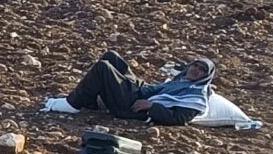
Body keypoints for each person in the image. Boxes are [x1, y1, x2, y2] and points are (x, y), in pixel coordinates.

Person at [66, 51, 215, 126]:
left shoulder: (196, 96)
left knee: (103, 67)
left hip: (131, 108)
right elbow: (159, 90)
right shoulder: (182, 79)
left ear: (206, 76)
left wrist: (151, 106)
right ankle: (89, 101)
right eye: (195, 65)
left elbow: (179, 118)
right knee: (111, 56)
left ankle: (73, 103)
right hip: (142, 93)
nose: (196, 70)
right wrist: (140, 86)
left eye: (202, 70)